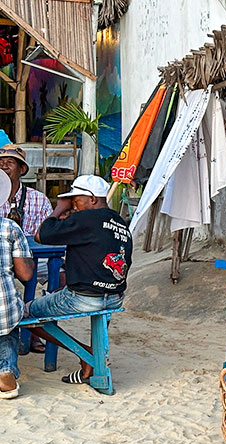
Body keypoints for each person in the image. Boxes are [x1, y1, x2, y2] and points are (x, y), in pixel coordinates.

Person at [26, 175, 131, 385]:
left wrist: (58, 208)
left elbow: (41, 235)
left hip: (84, 298)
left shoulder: (86, 219)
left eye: (76, 200)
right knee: (57, 295)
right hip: (114, 297)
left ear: (92, 199)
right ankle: (91, 359)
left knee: (25, 313)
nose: (73, 205)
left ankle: (85, 354)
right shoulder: (119, 221)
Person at [0, 144, 52, 354]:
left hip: (34, 259)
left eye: (9, 162)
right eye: (0, 163)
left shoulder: (38, 199)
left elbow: (49, 234)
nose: (3, 166)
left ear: (22, 169)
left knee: (62, 276)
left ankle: (36, 329)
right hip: (4, 261)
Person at [0, 170, 33, 399]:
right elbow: (26, 275)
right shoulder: (10, 228)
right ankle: (6, 371)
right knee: (10, 318)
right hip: (2, 310)